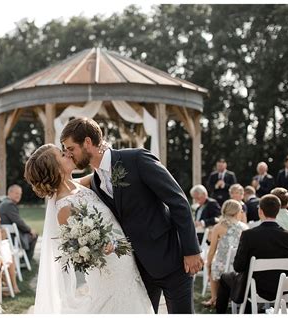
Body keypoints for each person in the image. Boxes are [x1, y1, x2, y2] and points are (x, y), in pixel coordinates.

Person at [60, 118, 202, 314]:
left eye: (70, 148)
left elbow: (178, 201)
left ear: (87, 142)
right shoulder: (96, 182)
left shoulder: (137, 159)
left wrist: (191, 250)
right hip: (139, 270)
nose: (69, 154)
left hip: (172, 260)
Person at [24, 143, 154, 314]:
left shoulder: (80, 185)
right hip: (109, 272)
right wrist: (104, 246)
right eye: (62, 155)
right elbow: (84, 253)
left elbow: (103, 170)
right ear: (55, 169)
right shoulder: (64, 208)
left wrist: (101, 149)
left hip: (124, 262)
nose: (68, 155)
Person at [215, 194, 288, 313]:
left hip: (253, 287)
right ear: (278, 211)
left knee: (225, 277)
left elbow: (238, 266)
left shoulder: (249, 235)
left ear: (260, 211)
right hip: (282, 287)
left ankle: (221, 314)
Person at [202, 200, 248, 308]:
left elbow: (212, 249)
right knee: (214, 264)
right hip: (239, 265)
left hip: (222, 265)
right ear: (237, 212)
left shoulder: (218, 227)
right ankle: (225, 298)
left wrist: (208, 263)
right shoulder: (244, 227)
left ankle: (214, 298)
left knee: (211, 265)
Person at [0, 184, 38, 260]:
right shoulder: (9, 204)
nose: (19, 196)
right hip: (10, 238)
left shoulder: (4, 203)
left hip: (5, 236)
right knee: (34, 235)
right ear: (9, 193)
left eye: (20, 194)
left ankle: (24, 259)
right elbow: (18, 222)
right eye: (16, 193)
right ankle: (26, 260)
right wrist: (30, 230)